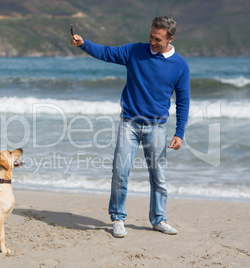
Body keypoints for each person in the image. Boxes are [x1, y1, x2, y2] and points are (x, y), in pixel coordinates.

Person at [70, 16, 190, 238]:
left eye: (158, 39)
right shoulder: (135, 51)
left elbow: (183, 101)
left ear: (170, 38)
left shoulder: (180, 66)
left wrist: (179, 133)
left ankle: (159, 219)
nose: (152, 42)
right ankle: (117, 218)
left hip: (157, 128)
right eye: (151, 36)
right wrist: (84, 44)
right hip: (129, 124)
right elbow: (107, 53)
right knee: (120, 172)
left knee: (159, 176)